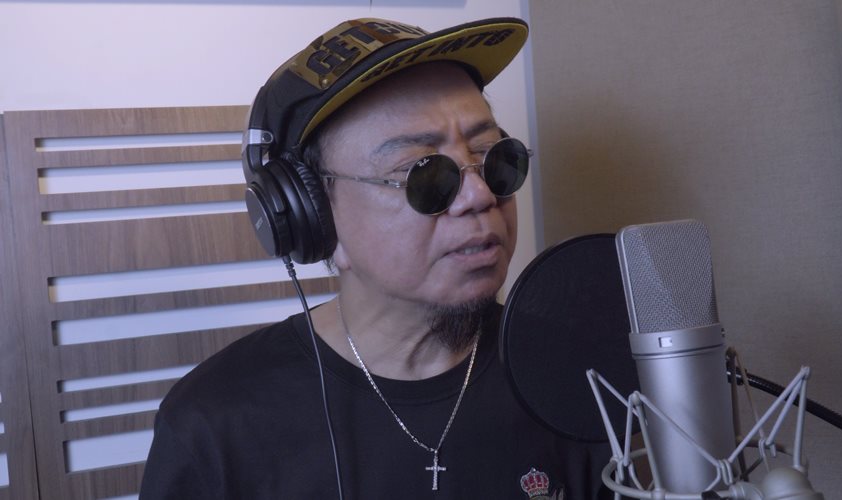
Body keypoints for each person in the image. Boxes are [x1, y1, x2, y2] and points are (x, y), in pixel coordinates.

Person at [141, 17, 612, 499]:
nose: (479, 195)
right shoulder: (211, 426)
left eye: (493, 157)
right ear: (315, 219)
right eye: (423, 174)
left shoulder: (584, 379)